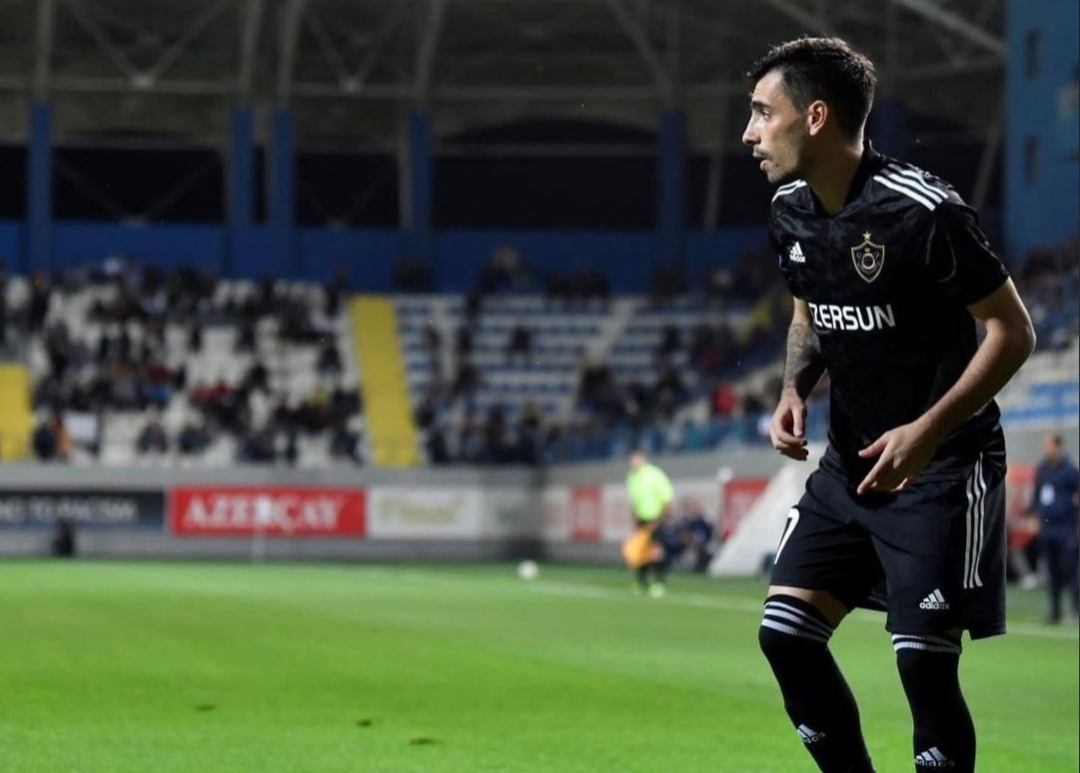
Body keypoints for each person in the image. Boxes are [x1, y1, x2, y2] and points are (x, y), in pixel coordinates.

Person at [742, 37, 1036, 773]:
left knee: (923, 664)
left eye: (762, 113)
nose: (749, 133)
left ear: (814, 117)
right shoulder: (789, 210)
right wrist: (793, 388)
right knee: (785, 636)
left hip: (944, 468)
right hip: (849, 468)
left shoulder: (924, 211)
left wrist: (928, 431)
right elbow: (809, 309)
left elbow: (1013, 331)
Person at [1024, 433, 1080, 624]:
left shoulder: (1070, 470)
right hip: (1048, 529)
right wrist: (1033, 516)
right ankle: (1055, 611)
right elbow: (1036, 495)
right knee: (1052, 571)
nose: (1045, 449)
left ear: (1057, 446)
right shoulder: (1042, 469)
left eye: (1048, 445)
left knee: (1071, 571)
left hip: (1066, 527)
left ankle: (1075, 611)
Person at [623, 449, 675, 597]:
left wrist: (659, 519)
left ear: (643, 459)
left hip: (656, 519)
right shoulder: (632, 477)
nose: (633, 463)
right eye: (631, 460)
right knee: (640, 552)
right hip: (641, 520)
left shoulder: (655, 475)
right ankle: (641, 582)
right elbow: (634, 500)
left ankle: (658, 583)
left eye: (636, 459)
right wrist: (634, 518)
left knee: (655, 552)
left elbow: (667, 499)